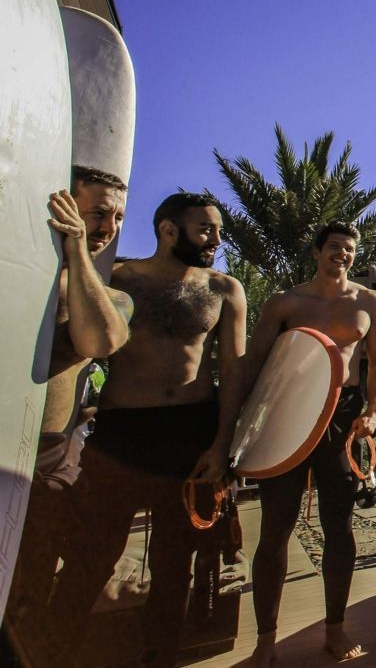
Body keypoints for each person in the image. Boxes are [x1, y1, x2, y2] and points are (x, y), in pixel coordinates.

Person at [48, 191, 247, 667]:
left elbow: (234, 372)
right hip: (122, 434)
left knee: (173, 564)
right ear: (167, 230)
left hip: (189, 436)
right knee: (90, 557)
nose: (215, 240)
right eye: (205, 230)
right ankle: (53, 654)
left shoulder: (224, 289)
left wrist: (223, 446)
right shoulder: (116, 279)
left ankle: (159, 657)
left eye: (218, 231)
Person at [238, 222, 376, 665]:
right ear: (317, 251)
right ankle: (266, 639)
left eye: (349, 249)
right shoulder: (285, 303)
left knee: (339, 527)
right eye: (334, 247)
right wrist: (242, 428)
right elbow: (255, 364)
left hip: (343, 417)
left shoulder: (369, 302)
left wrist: (373, 412)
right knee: (276, 529)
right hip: (288, 414)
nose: (342, 255)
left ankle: (334, 630)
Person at [2, 168, 131, 661]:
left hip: (52, 465)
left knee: (34, 592)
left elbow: (102, 339)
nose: (108, 226)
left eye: (117, 216)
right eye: (97, 212)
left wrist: (78, 251)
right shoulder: (16, 276)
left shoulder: (110, 295)